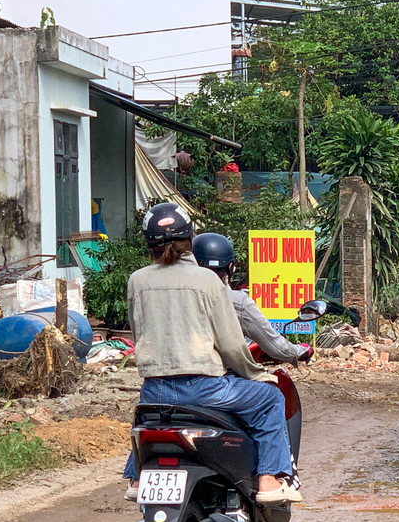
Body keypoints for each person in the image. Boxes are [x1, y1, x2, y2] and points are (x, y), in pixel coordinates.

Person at [122, 203, 301, 505]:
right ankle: (269, 481)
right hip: (203, 389)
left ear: (149, 243)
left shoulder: (137, 280)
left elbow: (140, 334)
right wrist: (256, 374)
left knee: (149, 419)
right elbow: (231, 345)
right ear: (189, 239)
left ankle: (138, 478)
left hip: (154, 388)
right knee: (271, 398)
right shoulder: (207, 281)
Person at [190, 232, 310, 364]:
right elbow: (275, 346)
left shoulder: (176, 295)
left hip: (174, 371)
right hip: (215, 372)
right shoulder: (237, 301)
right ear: (230, 267)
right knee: (267, 379)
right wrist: (299, 351)